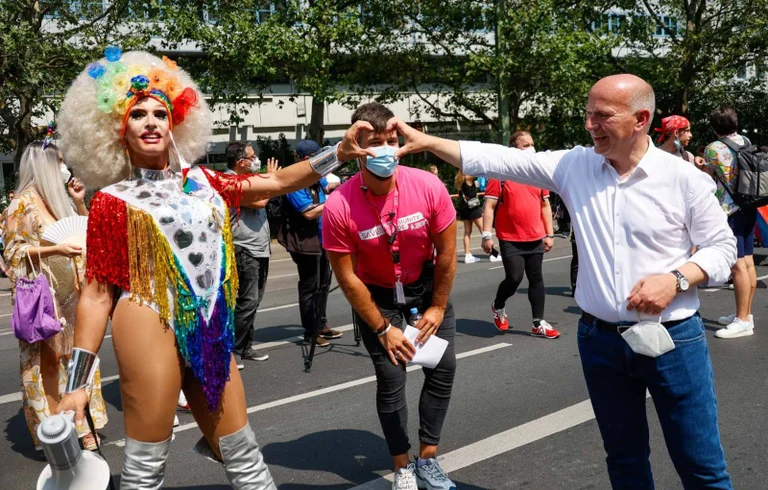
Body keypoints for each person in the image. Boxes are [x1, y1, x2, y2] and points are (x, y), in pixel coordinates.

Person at [387, 74, 737, 489]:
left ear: (641, 119)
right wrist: (426, 142)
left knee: (701, 466)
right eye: (588, 114)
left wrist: (677, 279)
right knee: (625, 462)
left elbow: (722, 249)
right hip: (601, 341)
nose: (590, 125)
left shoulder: (684, 178)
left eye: (602, 116)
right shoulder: (575, 165)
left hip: (674, 340)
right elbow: (497, 159)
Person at [56, 48, 348, 488]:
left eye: (160, 112)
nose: (151, 121)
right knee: (147, 460)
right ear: (119, 130)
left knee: (243, 449)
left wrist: (340, 152)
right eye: (138, 115)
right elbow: (97, 294)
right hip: (147, 317)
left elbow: (278, 182)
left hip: (211, 323)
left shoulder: (205, 182)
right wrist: (77, 384)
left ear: (176, 122)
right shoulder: (113, 201)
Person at [328, 102, 459, 490]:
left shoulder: (429, 186)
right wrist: (384, 328)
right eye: (373, 142)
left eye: (391, 140)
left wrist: (437, 306)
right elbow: (347, 278)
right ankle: (402, 465)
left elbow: (448, 254)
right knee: (391, 378)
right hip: (377, 297)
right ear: (356, 145)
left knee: (443, 366)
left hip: (424, 286)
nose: (384, 149)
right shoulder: (339, 205)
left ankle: (428, 459)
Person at [1, 141, 108, 451]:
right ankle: (57, 431)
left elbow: (88, 235)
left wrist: (78, 203)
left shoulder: (58, 201)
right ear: (45, 165)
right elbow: (12, 252)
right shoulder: (21, 204)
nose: (65, 167)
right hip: (43, 297)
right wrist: (54, 249)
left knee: (77, 362)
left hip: (73, 294)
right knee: (47, 364)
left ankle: (82, 422)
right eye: (59, 161)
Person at [481, 131, 559, 338]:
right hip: (510, 237)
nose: (531, 148)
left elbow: (545, 205)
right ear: (514, 149)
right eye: (526, 145)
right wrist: (486, 235)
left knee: (536, 278)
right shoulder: (500, 175)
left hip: (535, 235)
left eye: (532, 144)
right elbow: (489, 206)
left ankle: (538, 322)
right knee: (514, 278)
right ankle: (498, 306)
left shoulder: (538, 174)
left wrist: (549, 234)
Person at [281, 139, 343, 348]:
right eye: (319, 156)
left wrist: (349, 184)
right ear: (307, 159)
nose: (322, 160)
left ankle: (321, 324)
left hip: (323, 237)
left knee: (324, 284)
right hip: (304, 242)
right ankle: (310, 331)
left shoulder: (314, 175)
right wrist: (337, 201)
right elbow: (308, 212)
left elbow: (329, 187)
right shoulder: (294, 180)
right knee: (310, 286)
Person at [704, 106, 756, 339]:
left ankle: (742, 320)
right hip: (749, 204)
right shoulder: (745, 140)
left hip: (730, 210)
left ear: (715, 127)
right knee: (747, 261)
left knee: (737, 267)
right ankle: (745, 312)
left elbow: (709, 177)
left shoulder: (713, 149)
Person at [225, 141, 274, 366]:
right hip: (244, 248)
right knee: (246, 301)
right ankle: (233, 351)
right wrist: (272, 179)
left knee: (254, 301)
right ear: (240, 162)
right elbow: (260, 201)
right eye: (252, 157)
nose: (257, 160)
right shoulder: (230, 182)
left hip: (259, 248)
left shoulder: (248, 180)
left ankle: (245, 347)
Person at [454, 171, 484, 263]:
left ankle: (467, 255)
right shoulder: (468, 178)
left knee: (467, 232)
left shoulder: (460, 180)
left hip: (464, 208)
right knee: (484, 230)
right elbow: (479, 173)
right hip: (473, 208)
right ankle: (492, 254)